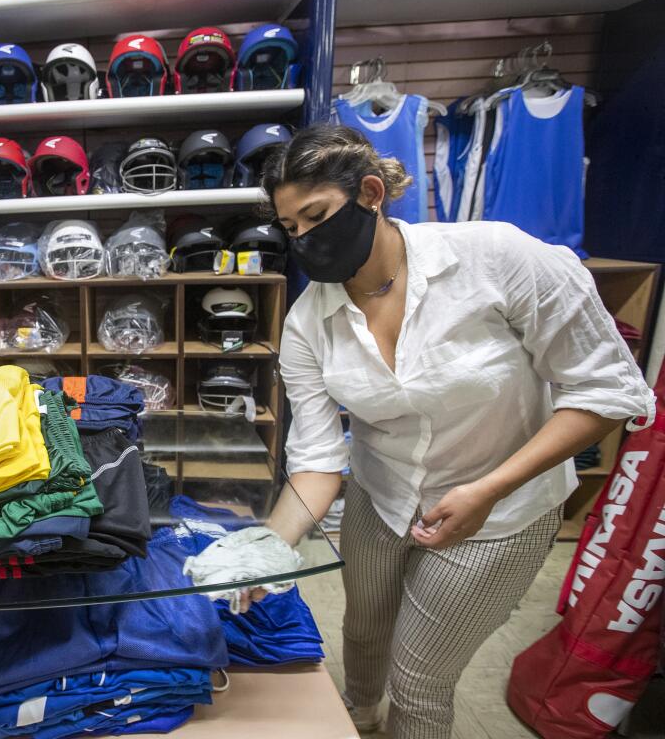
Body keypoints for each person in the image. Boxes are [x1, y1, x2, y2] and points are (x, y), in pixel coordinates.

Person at [255, 125, 653, 739]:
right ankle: (358, 716)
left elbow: (605, 392)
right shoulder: (311, 321)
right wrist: (266, 549)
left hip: (499, 514)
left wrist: (488, 489)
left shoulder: (496, 258)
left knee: (419, 683)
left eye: (316, 216)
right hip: (380, 495)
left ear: (369, 193)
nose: (306, 240)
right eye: (292, 228)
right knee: (362, 630)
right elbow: (314, 459)